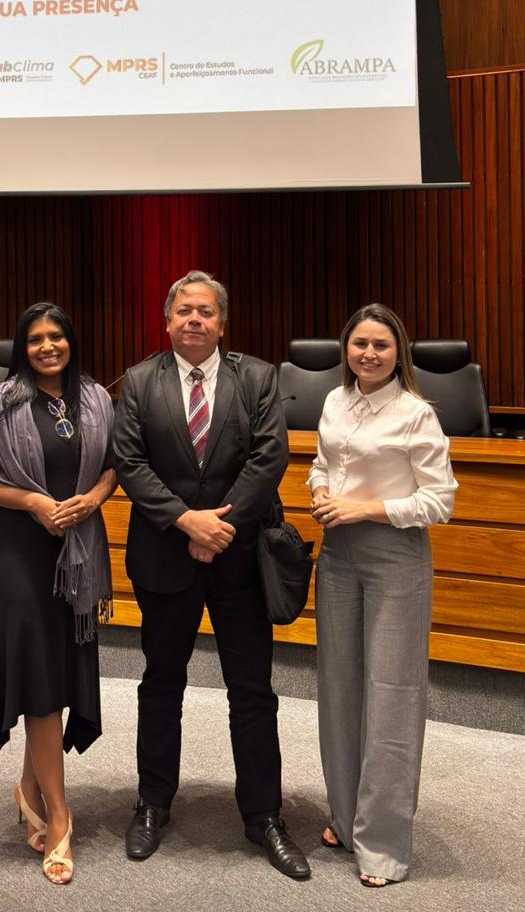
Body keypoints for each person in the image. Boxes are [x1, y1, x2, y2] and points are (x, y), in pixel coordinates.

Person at [113, 270, 310, 880]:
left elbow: (270, 457)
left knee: (252, 692)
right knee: (160, 683)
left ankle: (264, 816)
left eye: (205, 311)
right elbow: (129, 462)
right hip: (165, 556)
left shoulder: (257, 378)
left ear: (222, 323)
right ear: (166, 321)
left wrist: (218, 526)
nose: (194, 319)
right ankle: (152, 803)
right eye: (184, 311)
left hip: (240, 557)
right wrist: (186, 522)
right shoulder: (139, 382)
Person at [308, 304, 457, 888]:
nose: (369, 354)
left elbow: (439, 500)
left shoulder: (416, 413)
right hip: (337, 555)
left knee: (392, 693)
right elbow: (322, 463)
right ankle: (347, 818)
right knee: (339, 687)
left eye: (381, 345)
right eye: (360, 344)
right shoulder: (334, 401)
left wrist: (363, 508)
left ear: (399, 353)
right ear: (346, 348)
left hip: (395, 556)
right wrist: (321, 490)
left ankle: (385, 844)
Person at [0, 302, 116, 885]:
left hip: (77, 547)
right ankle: (59, 815)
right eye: (36, 339)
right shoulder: (2, 402)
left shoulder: (96, 399)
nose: (48, 346)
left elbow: (115, 466)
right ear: (22, 348)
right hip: (19, 553)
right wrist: (32, 501)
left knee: (52, 671)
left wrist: (94, 499)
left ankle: (29, 790)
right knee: (39, 674)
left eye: (57, 336)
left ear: (71, 342)